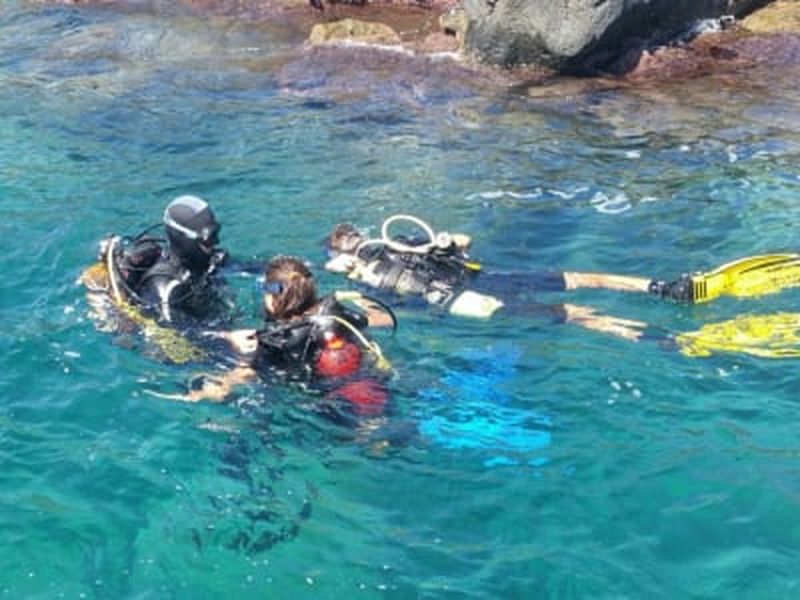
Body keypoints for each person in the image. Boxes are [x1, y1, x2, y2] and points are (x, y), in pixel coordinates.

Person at [325, 215, 800, 315]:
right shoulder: (358, 273)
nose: (360, 245)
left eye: (358, 239)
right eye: (352, 244)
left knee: (580, 277)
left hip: (479, 279)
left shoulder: (402, 242)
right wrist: (349, 272)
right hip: (464, 297)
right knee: (574, 314)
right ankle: (658, 338)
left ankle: (666, 289)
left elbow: (462, 241)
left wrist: (450, 239)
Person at [177, 256, 394, 414]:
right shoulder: (336, 315)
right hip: (376, 388)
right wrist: (360, 296)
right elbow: (386, 319)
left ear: (272, 299)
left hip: (336, 410)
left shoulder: (276, 341)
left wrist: (195, 395)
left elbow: (236, 378)